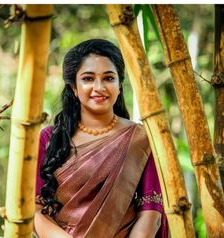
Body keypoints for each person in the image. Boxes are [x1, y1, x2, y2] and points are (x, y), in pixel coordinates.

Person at [34, 39, 168, 238]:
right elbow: (35, 211)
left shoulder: (141, 139)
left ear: (119, 85)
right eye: (88, 79)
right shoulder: (49, 138)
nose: (99, 87)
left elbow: (151, 214)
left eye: (108, 78)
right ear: (73, 87)